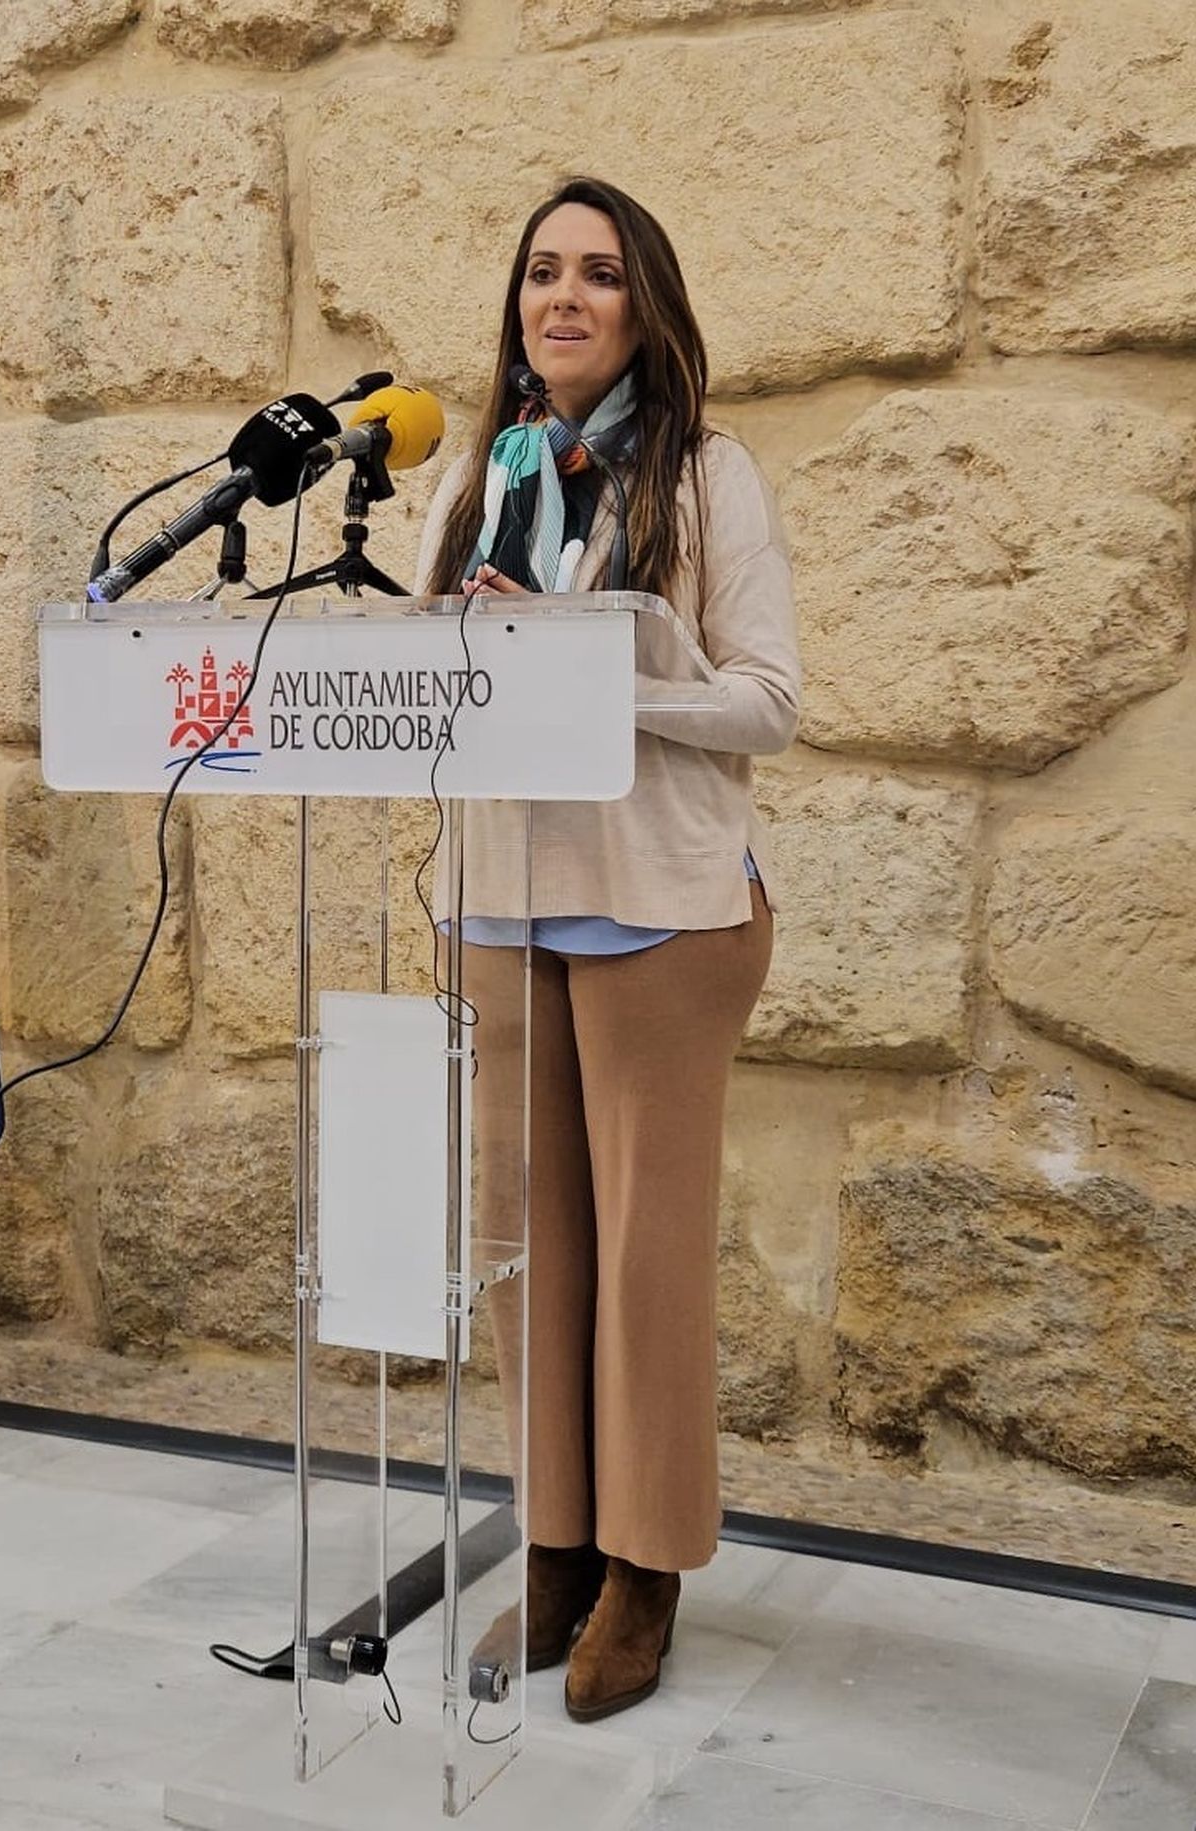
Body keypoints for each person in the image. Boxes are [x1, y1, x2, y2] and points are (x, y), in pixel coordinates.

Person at [413, 176, 800, 1723]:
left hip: (661, 911)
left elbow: (769, 700)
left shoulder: (708, 477)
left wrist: (598, 676)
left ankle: (648, 1572)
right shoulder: (473, 475)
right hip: (497, 900)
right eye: (541, 275)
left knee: (643, 1265)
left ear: (648, 306)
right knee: (525, 1248)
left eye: (599, 277)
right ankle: (558, 1542)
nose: (561, 300)